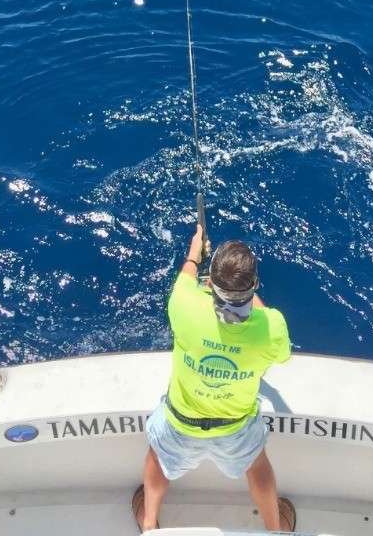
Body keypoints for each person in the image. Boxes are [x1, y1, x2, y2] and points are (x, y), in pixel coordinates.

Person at [132, 223, 295, 532]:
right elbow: (281, 353)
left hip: (181, 421)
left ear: (212, 284)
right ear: (253, 285)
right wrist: (246, 299)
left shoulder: (183, 304)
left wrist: (196, 251)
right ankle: (275, 529)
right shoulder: (272, 327)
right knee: (257, 465)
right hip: (234, 427)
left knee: (157, 457)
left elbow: (186, 278)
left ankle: (149, 524)